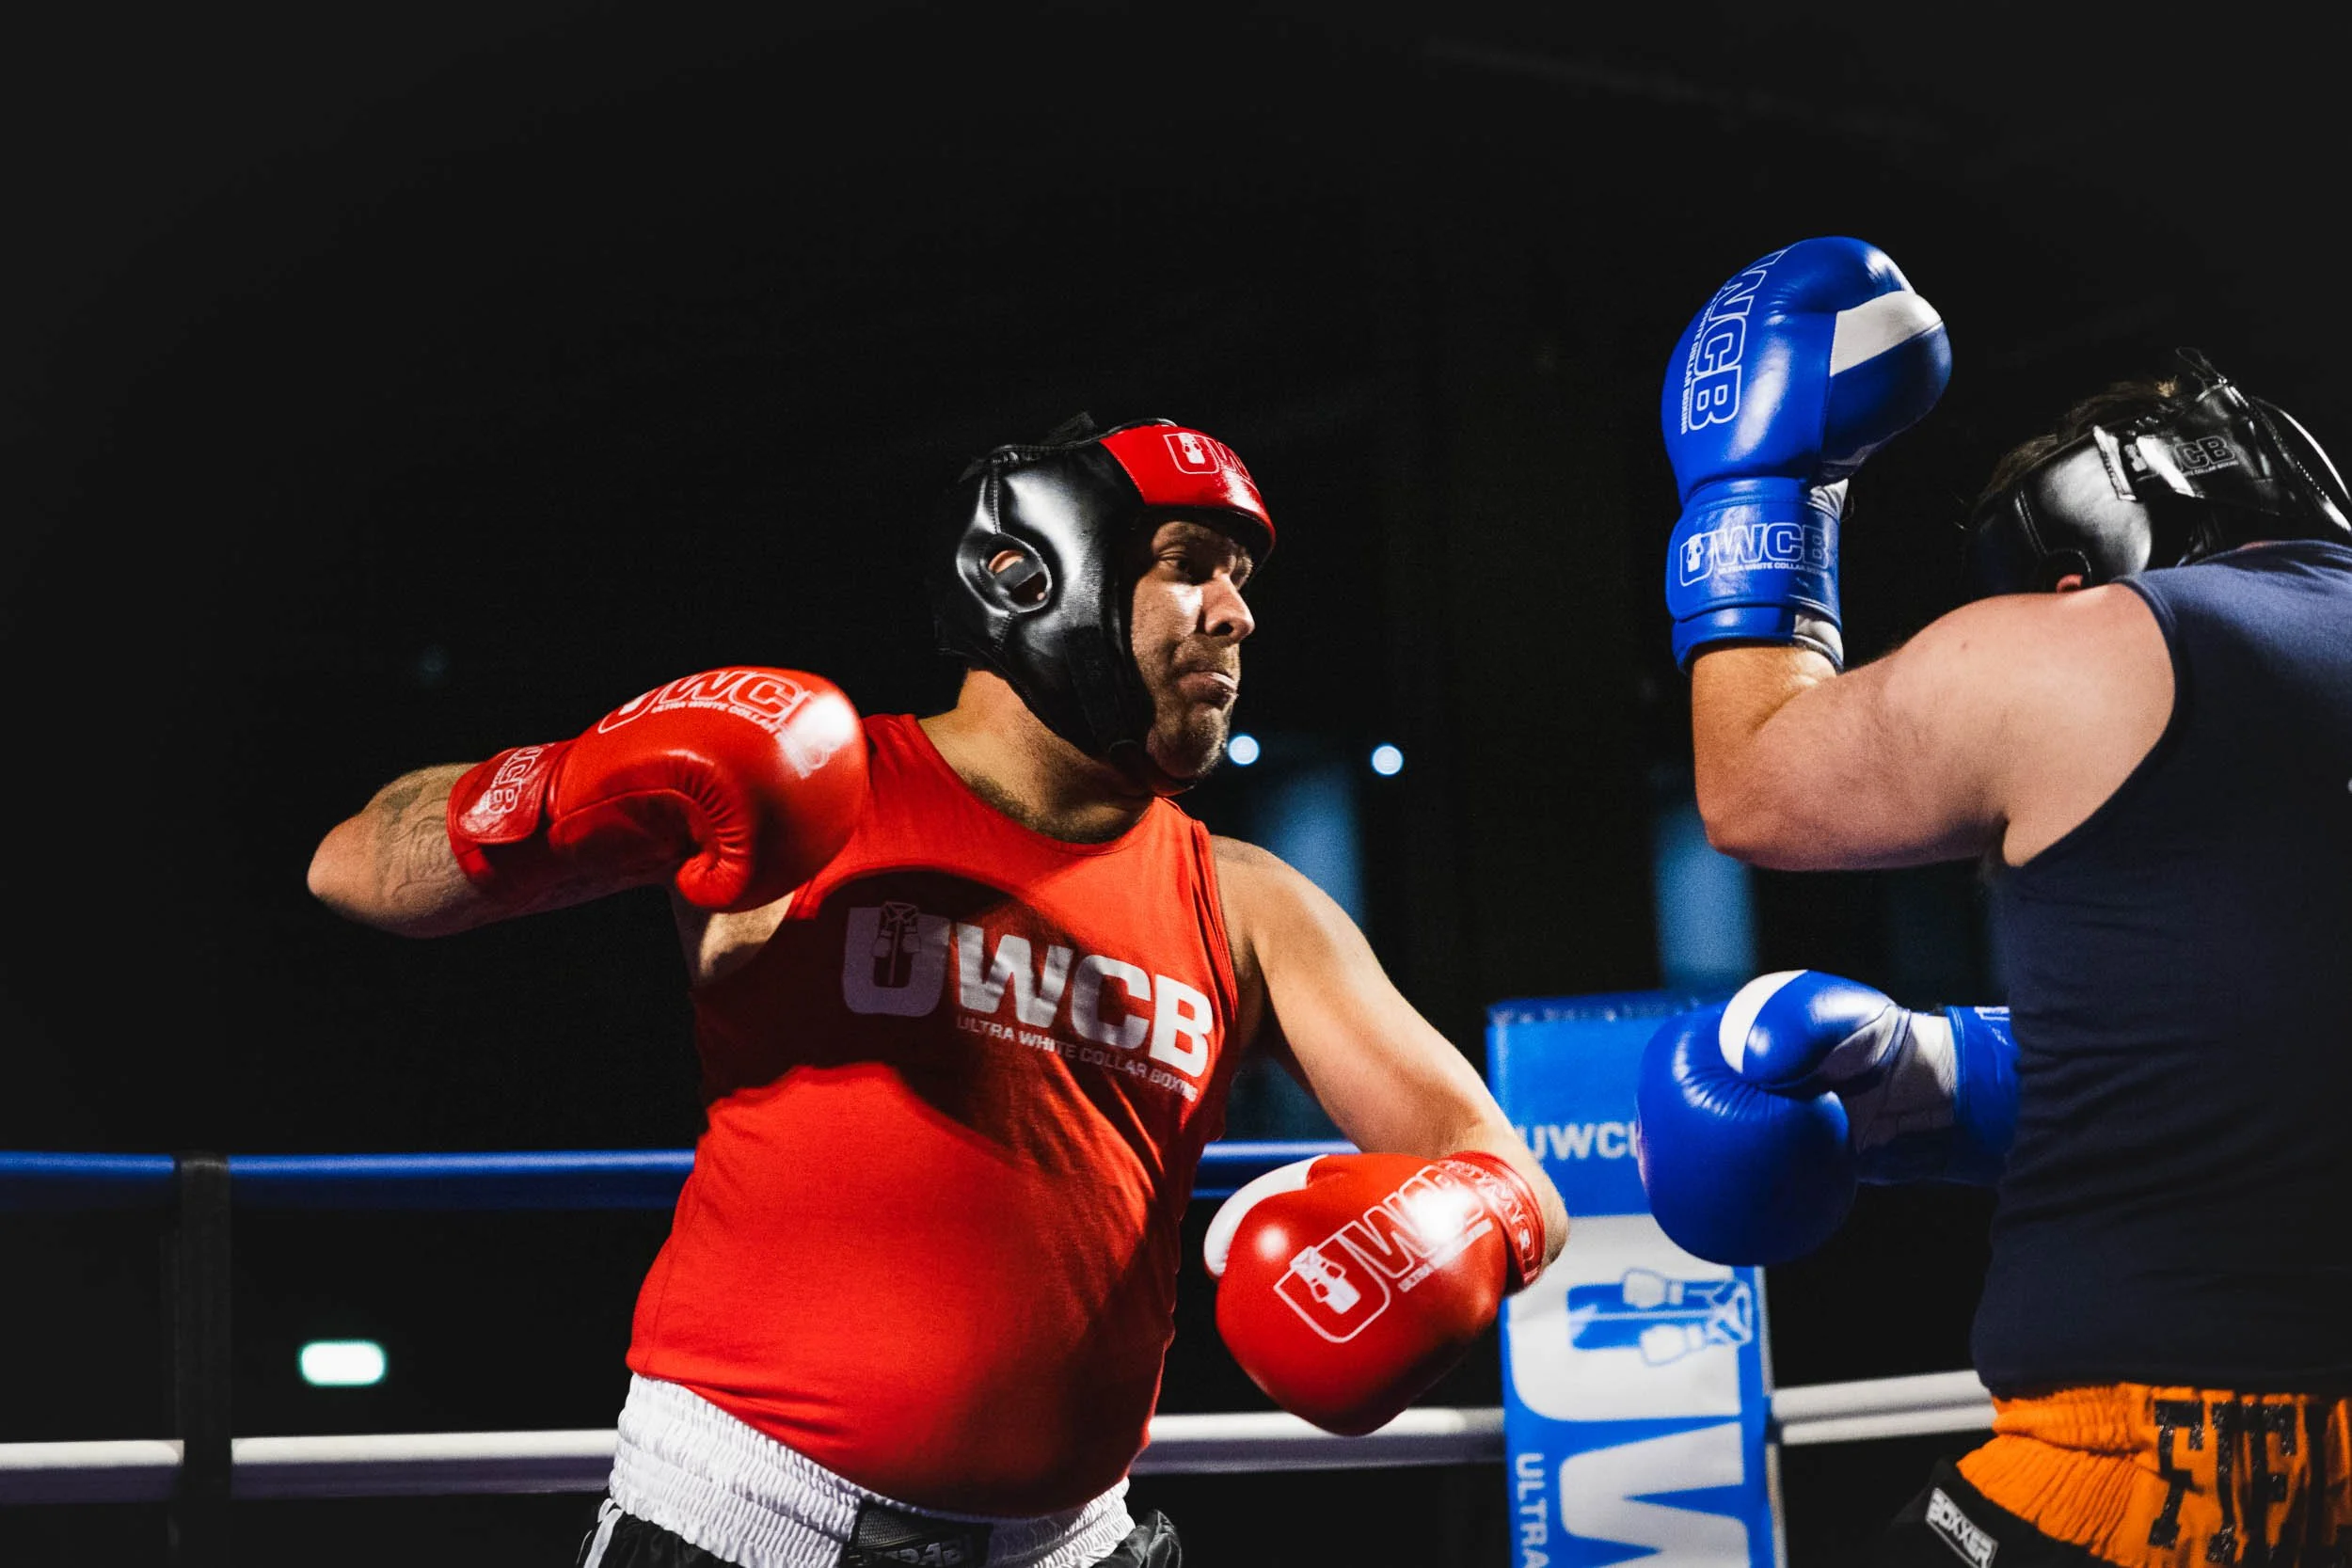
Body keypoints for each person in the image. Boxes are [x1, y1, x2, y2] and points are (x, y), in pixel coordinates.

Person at [308, 414, 1566, 1568]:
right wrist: (582, 778)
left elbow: (1505, 1172)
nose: (1236, 616)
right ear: (1036, 569)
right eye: (1191, 561)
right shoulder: (811, 782)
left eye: (1246, 580)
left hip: (1075, 1544)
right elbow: (357, 866)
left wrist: (1438, 1238)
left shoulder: (1247, 900)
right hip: (747, 1525)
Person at [1634, 236, 2352, 1566]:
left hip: (2159, 1479)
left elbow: (1754, 785)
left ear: (2072, 568)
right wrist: (1941, 1072)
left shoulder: (2103, 641)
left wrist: (1765, 477)